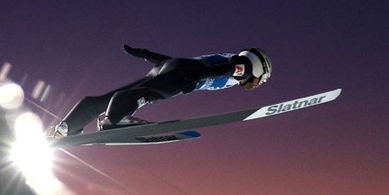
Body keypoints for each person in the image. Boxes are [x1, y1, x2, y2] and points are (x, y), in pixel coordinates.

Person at [53, 45, 272, 137]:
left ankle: (67, 127)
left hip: (173, 66)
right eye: (260, 82)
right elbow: (223, 69)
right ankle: (114, 120)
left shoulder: (234, 60)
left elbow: (174, 61)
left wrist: (146, 54)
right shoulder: (245, 67)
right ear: (259, 70)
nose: (256, 85)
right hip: (187, 73)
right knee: (148, 94)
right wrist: (197, 77)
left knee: (107, 99)